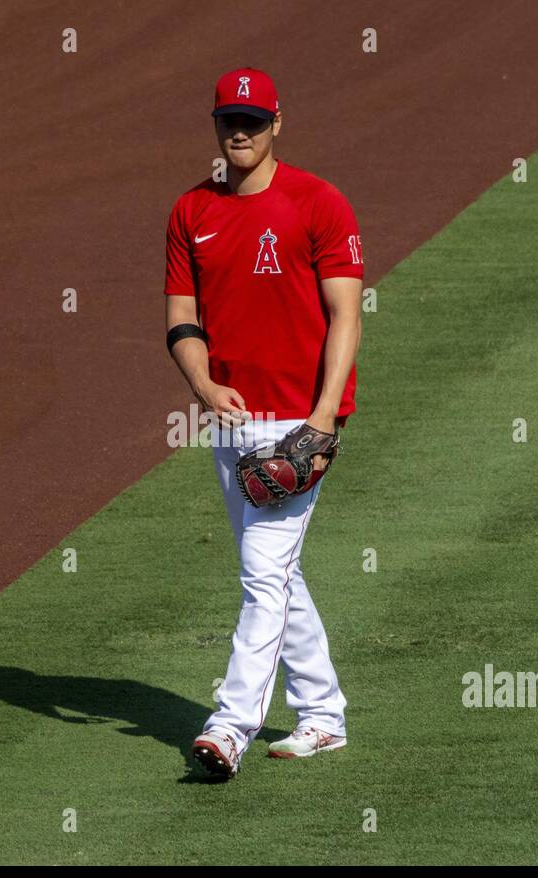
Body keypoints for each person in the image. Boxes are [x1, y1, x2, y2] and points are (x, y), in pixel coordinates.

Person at [163, 67, 364, 779]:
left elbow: (346, 316)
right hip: (230, 424)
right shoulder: (192, 212)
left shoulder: (318, 202)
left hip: (295, 427)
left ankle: (229, 727)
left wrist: (322, 419)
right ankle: (323, 716)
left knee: (260, 578)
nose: (239, 130)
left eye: (252, 118)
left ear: (277, 122)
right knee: (280, 577)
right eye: (228, 119)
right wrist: (203, 382)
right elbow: (181, 319)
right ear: (215, 124)